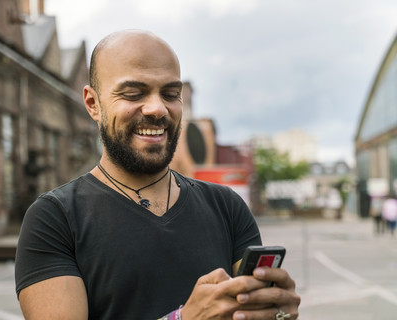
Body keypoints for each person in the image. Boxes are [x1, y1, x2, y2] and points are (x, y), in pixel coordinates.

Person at [15, 29, 300, 320]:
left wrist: (275, 312)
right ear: (93, 104)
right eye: (134, 94)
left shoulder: (226, 206)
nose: (157, 108)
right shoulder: (54, 218)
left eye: (171, 94)